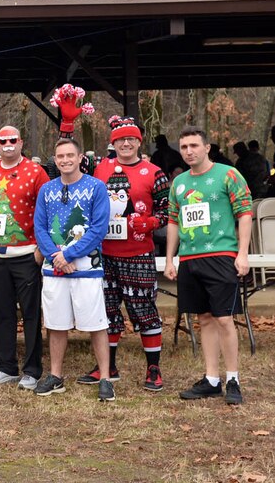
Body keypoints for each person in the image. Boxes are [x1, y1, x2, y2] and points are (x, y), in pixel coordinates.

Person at [165, 126, 252, 405]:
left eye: (194, 146)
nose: (189, 151)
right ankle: (212, 379)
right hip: (190, 259)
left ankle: (233, 378)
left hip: (222, 255)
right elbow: (173, 221)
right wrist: (170, 258)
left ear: (207, 148)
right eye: (184, 147)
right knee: (203, 319)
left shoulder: (228, 174)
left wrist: (243, 254)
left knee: (224, 318)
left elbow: (245, 213)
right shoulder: (178, 183)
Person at [88, 116, 170, 392]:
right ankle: (108, 365)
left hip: (137, 253)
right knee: (107, 310)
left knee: (143, 309)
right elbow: (68, 166)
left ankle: (153, 368)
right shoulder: (101, 169)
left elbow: (167, 211)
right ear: (113, 143)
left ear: (138, 141)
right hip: (105, 253)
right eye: (120, 139)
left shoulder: (154, 172)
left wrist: (151, 223)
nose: (126, 143)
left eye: (131, 138)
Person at [32, 138, 114, 401]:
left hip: (86, 268)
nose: (65, 160)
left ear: (80, 158)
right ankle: (56, 376)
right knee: (56, 324)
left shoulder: (96, 187)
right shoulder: (46, 190)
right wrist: (56, 255)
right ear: (54, 160)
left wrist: (69, 254)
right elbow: (41, 228)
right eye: (60, 156)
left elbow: (98, 228)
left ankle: (105, 378)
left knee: (96, 324)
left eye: (70, 155)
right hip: (54, 267)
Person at [0, 126, 49, 389]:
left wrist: (41, 248)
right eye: (2, 141)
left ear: (21, 142)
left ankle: (32, 369)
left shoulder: (36, 172)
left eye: (12, 140)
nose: (7, 144)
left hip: (27, 254)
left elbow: (45, 211)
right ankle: (6, 366)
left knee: (30, 314)